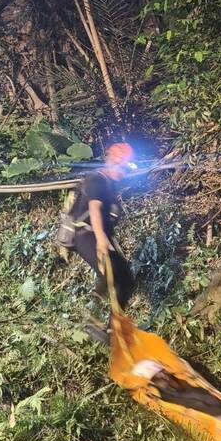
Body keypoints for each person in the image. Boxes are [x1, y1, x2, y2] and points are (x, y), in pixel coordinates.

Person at [67, 141, 136, 339]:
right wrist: (100, 241)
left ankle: (115, 327)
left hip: (100, 235)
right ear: (113, 161)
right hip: (88, 235)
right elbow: (95, 211)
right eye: (122, 167)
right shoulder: (98, 180)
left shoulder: (109, 185)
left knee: (126, 278)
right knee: (110, 272)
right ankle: (93, 321)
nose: (123, 173)